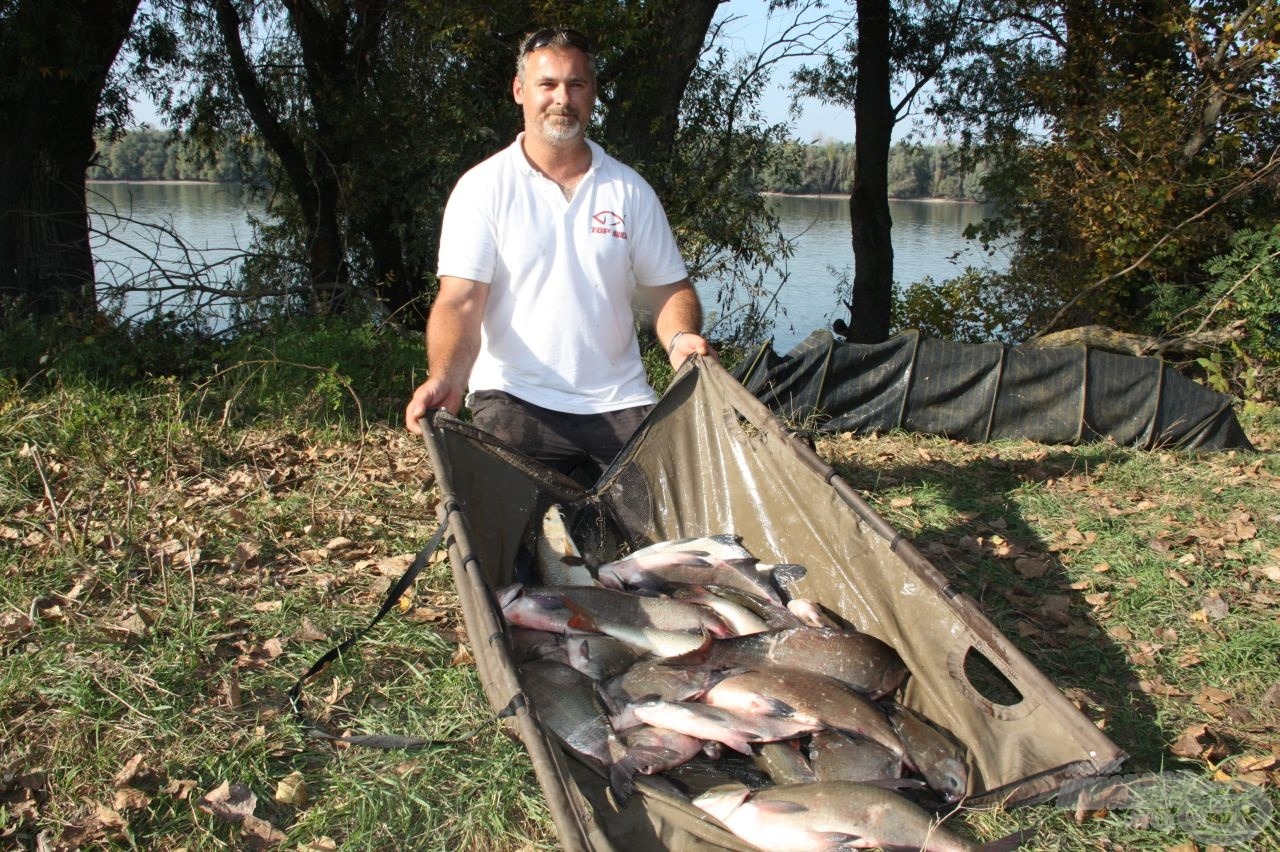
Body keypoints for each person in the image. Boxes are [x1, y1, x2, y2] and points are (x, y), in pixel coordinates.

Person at [404, 26, 713, 477]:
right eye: (547, 84)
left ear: (592, 95)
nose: (561, 99)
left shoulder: (630, 191)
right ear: (519, 90)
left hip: (622, 402)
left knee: (661, 535)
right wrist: (446, 377)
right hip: (515, 399)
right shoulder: (482, 189)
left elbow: (669, 290)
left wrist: (681, 339)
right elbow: (460, 301)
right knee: (514, 539)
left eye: (576, 84)